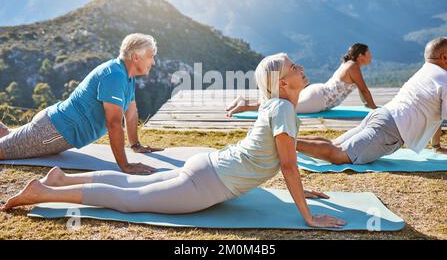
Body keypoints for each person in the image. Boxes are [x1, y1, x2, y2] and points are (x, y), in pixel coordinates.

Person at [1, 53, 346, 229]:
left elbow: (277, 157)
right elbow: (285, 164)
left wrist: (301, 189)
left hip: (207, 167)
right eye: (294, 67)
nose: (301, 69)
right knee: (128, 200)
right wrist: (308, 216)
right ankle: (43, 192)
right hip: (207, 182)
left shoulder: (275, 104)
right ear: (284, 84)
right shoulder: (283, 109)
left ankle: (62, 178)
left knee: (132, 185)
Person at [0, 33, 163, 175]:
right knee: (3, 150)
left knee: (6, 135)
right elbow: (113, 123)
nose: (153, 62)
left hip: (53, 124)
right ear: (136, 57)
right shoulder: (115, 76)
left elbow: (131, 112)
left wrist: (135, 145)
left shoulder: (127, 75)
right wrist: (125, 166)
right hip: (54, 131)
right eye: (150, 56)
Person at [296, 37, 447, 165]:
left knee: (334, 144)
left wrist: (436, 146)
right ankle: (281, 143)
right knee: (338, 155)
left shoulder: (425, 71)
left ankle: (286, 140)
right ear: (444, 57)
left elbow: (437, 115)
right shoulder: (446, 80)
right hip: (391, 128)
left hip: (382, 115)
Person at [226, 43, 377, 117]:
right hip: (319, 99)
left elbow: (362, 91)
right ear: (360, 56)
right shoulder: (353, 67)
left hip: (318, 93)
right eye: (369, 53)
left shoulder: (349, 65)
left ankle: (244, 101)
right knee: (281, 109)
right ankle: (245, 106)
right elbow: (363, 89)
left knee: (279, 102)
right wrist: (375, 109)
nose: (371, 56)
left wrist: (368, 104)